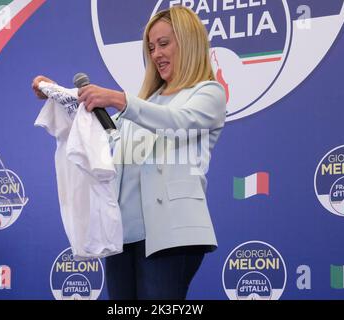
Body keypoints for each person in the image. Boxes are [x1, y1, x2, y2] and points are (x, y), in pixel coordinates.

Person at [32, 6, 226, 300]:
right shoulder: (146, 100)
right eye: (151, 47)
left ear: (189, 42)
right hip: (122, 236)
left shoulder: (209, 92)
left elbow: (176, 122)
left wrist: (120, 99)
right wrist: (58, 96)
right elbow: (105, 139)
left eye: (164, 44)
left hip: (171, 235)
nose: (156, 54)